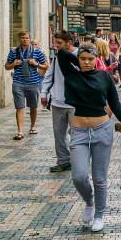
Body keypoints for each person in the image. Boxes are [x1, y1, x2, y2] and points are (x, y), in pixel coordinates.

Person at [54, 43, 121, 232]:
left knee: (99, 178)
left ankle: (99, 215)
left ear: (96, 59)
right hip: (79, 132)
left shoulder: (104, 77)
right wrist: (82, 54)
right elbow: (62, 53)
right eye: (83, 59)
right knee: (78, 176)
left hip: (102, 130)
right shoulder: (72, 74)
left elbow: (114, 101)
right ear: (78, 59)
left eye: (90, 59)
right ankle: (89, 201)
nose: (87, 62)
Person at [41, 31, 77, 172]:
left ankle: (77, 160)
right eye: (55, 43)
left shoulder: (80, 56)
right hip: (57, 102)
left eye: (59, 43)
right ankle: (63, 161)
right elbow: (49, 76)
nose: (56, 46)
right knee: (59, 134)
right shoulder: (57, 57)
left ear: (69, 42)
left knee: (76, 134)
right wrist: (44, 93)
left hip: (75, 103)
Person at [4, 31, 49, 141]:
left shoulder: (37, 52)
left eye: (27, 38)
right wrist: (13, 64)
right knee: (19, 107)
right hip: (18, 82)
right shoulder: (14, 52)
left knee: (33, 106)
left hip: (33, 82)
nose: (25, 40)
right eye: (23, 38)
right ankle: (20, 131)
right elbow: (6, 66)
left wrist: (36, 64)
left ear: (30, 39)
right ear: (19, 39)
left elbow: (46, 66)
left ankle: (33, 126)